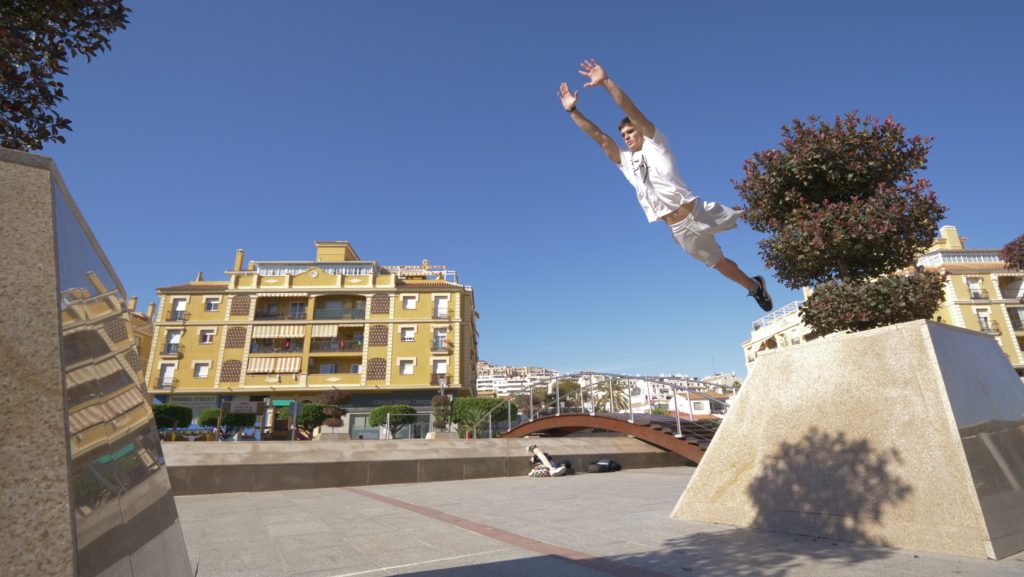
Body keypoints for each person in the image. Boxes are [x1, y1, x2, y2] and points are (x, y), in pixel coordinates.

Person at [557, 59, 773, 311]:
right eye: (623, 135)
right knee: (718, 263)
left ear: (640, 130)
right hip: (679, 230)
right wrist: (573, 111)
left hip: (697, 211)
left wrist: (605, 82)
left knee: (752, 217)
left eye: (630, 131)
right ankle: (754, 286)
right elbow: (599, 137)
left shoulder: (655, 143)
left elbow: (631, 108)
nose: (626, 136)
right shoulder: (626, 162)